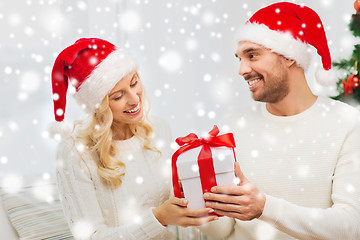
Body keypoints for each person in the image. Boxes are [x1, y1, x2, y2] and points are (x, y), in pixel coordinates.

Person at [198, 2, 360, 240]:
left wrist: (264, 207)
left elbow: (350, 226)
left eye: (252, 55)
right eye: (239, 58)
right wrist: (197, 200)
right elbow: (222, 231)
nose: (242, 69)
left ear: (289, 57)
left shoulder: (347, 123)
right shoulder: (234, 125)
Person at [50, 38, 217, 240]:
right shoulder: (76, 153)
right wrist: (158, 218)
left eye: (134, 83)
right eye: (118, 96)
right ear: (98, 105)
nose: (134, 99)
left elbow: (169, 200)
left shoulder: (158, 129)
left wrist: (192, 181)